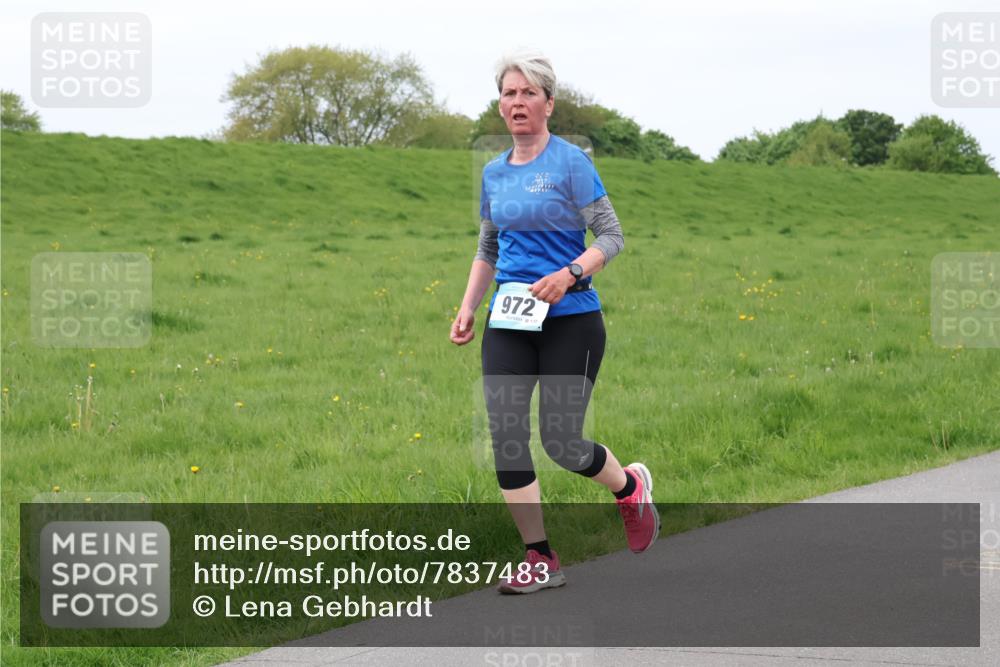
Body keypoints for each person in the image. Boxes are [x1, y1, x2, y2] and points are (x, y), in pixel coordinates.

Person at [450, 49, 659, 595]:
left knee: (563, 442)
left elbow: (612, 236)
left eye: (527, 93)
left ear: (548, 103)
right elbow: (489, 246)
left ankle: (629, 486)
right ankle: (540, 557)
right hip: (510, 319)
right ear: (500, 105)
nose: (517, 102)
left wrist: (569, 273)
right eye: (508, 93)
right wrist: (469, 305)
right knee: (507, 438)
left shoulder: (570, 163)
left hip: (571, 318)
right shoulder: (495, 172)